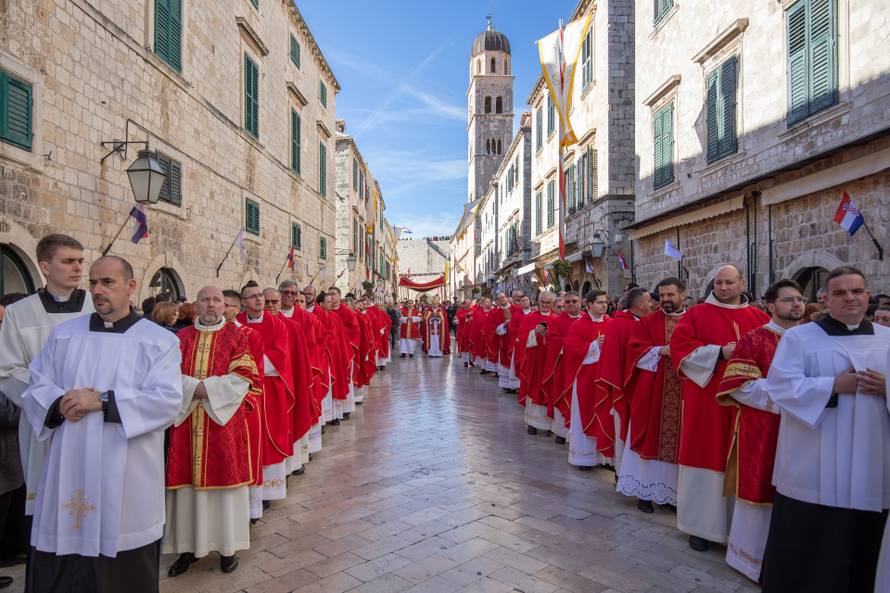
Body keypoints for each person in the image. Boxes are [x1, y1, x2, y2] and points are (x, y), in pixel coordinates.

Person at [21, 256, 181, 593]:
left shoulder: (160, 341)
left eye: (107, 282)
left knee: (121, 566)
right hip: (68, 466)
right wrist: (58, 402)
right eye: (93, 282)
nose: (97, 290)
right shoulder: (64, 335)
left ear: (131, 286)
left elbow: (167, 400)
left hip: (127, 473)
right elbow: (36, 383)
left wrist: (103, 401)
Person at [759, 267, 889, 593]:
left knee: (866, 549)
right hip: (814, 466)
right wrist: (833, 385)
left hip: (874, 465)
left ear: (867, 295)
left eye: (857, 291)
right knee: (814, 550)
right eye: (840, 293)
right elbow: (780, 388)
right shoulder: (799, 338)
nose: (850, 298)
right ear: (825, 298)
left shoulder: (887, 339)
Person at [0, 234, 95, 578]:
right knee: (50, 506)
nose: (77, 268)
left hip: (94, 420)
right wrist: (56, 400)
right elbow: (8, 370)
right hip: (46, 424)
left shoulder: (95, 307)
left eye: (80, 261)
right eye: (68, 261)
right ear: (44, 267)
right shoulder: (19, 314)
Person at [669, 265, 769, 552]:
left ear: (741, 284)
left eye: (729, 282)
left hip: (747, 403)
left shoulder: (759, 317)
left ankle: (741, 529)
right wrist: (720, 352)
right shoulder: (696, 314)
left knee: (743, 459)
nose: (723, 288)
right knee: (706, 456)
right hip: (707, 402)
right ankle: (700, 527)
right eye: (719, 283)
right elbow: (681, 349)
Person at [164, 287, 261, 576]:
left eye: (216, 300)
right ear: (195, 306)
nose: (210, 305)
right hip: (185, 427)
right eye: (205, 300)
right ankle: (187, 548)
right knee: (186, 491)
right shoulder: (180, 338)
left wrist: (203, 390)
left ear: (225, 306)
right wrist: (198, 389)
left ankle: (227, 549)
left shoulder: (238, 336)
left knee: (225, 489)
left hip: (223, 425)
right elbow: (165, 376)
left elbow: (244, 376)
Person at [714, 279, 805, 582]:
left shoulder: (812, 340)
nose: (796, 305)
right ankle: (751, 560)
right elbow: (738, 385)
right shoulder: (754, 339)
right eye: (788, 300)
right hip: (765, 427)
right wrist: (792, 397)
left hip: (807, 430)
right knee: (760, 487)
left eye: (800, 299)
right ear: (770, 304)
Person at [617, 278, 686, 513]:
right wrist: (660, 350)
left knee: (680, 442)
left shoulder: (692, 321)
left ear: (683, 296)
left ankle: (669, 494)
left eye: (671, 295)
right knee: (647, 437)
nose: (665, 299)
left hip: (684, 395)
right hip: (652, 393)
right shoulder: (647, 322)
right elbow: (634, 351)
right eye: (662, 295)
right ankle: (643, 491)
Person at [236, 284, 295, 506]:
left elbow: (279, 356)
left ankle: (267, 493)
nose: (259, 300)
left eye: (261, 295)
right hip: (242, 391)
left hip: (270, 389)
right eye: (253, 297)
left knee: (269, 439)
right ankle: (247, 496)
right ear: (243, 302)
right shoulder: (237, 325)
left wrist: (248, 367)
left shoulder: (277, 325)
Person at [596, 287, 652, 466]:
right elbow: (612, 358)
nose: (652, 304)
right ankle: (621, 469)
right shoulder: (619, 324)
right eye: (649, 300)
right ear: (640, 304)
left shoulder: (645, 322)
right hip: (625, 386)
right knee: (623, 424)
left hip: (645, 386)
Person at [223, 289, 266, 522]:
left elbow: (254, 374)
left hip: (244, 404)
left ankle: (250, 511)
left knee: (246, 457)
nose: (220, 308)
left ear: (237, 308)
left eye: (225, 304)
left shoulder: (248, 335)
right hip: (213, 406)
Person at [561, 291, 610, 468]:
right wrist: (596, 345)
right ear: (588, 305)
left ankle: (604, 458)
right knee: (584, 415)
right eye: (599, 302)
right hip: (585, 378)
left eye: (605, 302)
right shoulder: (579, 325)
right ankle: (584, 457)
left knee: (604, 415)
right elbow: (572, 349)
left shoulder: (611, 323)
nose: (604, 305)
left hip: (605, 379)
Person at [541, 292, 585, 444]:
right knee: (562, 394)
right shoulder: (558, 322)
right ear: (564, 305)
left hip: (583, 367)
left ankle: (578, 435)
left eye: (574, 301)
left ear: (581, 303)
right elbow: (552, 341)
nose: (571, 304)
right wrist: (572, 344)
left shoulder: (586, 320)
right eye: (568, 302)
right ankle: (561, 432)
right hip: (564, 366)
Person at [516, 292, 557, 434]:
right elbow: (520, 338)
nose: (545, 305)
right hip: (534, 361)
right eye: (543, 302)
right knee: (533, 388)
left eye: (548, 302)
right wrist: (534, 332)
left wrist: (548, 335)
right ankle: (532, 423)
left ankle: (547, 425)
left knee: (549, 389)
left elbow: (561, 340)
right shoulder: (530, 318)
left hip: (550, 362)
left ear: (552, 303)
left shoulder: (556, 319)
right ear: (538, 302)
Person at [500, 295, 530, 393]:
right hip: (519, 343)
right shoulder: (517, 315)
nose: (525, 302)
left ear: (529, 301)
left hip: (531, 343)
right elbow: (512, 328)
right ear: (520, 303)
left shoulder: (533, 313)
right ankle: (516, 385)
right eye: (523, 301)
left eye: (526, 300)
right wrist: (524, 332)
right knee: (518, 363)